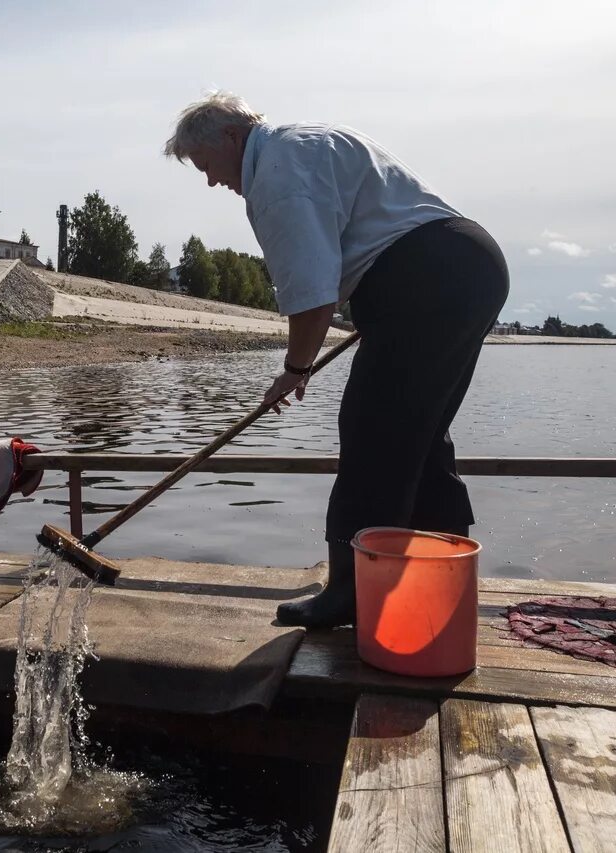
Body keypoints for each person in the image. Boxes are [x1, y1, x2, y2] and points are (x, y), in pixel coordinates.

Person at [165, 92, 508, 629]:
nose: (211, 181)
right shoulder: (309, 139)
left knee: (371, 431)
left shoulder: (275, 175)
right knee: (418, 437)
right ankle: (443, 579)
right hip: (466, 266)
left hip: (428, 280)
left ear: (231, 136)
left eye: (206, 165)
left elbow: (312, 291)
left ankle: (349, 591)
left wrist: (295, 369)